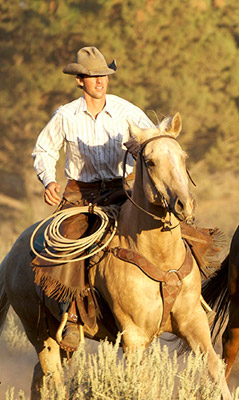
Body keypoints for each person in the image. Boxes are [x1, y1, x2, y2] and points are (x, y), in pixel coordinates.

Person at [32, 46, 154, 351]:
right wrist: (48, 180)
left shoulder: (127, 112)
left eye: (103, 75)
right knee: (70, 241)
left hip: (122, 189)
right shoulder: (65, 115)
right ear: (79, 80)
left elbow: (152, 142)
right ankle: (71, 315)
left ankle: (181, 299)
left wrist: (143, 155)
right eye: (92, 76)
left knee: (161, 228)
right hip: (80, 193)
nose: (100, 81)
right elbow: (44, 151)